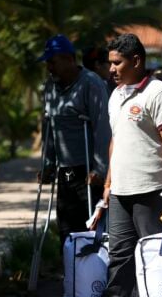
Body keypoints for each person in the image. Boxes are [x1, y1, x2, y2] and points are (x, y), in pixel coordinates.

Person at [72, 33, 162, 297]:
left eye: (117, 63)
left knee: (158, 256)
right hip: (121, 190)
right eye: (110, 63)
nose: (111, 69)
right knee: (120, 257)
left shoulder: (160, 93)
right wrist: (109, 183)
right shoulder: (117, 95)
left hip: (153, 189)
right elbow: (116, 142)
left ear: (136, 61)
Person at [37, 35, 111, 245]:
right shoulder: (50, 87)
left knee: (89, 227)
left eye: (53, 62)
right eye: (47, 63)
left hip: (88, 171)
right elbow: (49, 126)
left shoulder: (91, 84)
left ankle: (93, 274)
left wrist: (101, 169)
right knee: (66, 227)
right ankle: (70, 273)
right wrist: (48, 163)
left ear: (69, 59)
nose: (49, 67)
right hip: (65, 170)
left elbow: (102, 127)